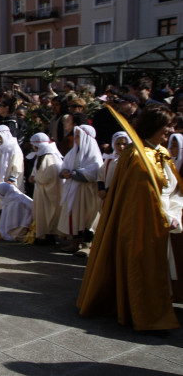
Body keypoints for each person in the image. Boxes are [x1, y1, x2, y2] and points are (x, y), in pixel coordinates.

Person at [77, 105, 183, 331]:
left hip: (166, 218)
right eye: (167, 125)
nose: (170, 130)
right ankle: (144, 312)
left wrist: (173, 212)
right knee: (143, 267)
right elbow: (137, 196)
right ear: (154, 126)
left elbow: (173, 190)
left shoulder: (162, 153)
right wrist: (162, 214)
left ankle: (158, 308)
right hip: (141, 221)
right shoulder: (135, 156)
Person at [58, 125, 103, 253]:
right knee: (75, 216)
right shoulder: (73, 152)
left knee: (87, 217)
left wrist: (74, 174)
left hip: (86, 191)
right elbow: (64, 166)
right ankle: (75, 242)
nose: (76, 139)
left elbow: (94, 171)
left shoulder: (92, 153)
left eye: (78, 136)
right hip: (74, 190)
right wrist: (65, 172)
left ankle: (86, 244)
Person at [28, 133, 63, 245]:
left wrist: (36, 178)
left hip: (49, 191)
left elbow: (48, 175)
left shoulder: (49, 156)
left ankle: (48, 236)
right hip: (42, 190)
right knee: (42, 213)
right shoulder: (42, 155)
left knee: (48, 213)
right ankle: (42, 234)